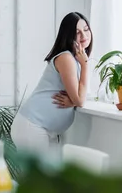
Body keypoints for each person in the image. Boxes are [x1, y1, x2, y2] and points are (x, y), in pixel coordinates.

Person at [11, 12, 92, 159]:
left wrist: (72, 101)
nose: (83, 35)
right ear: (68, 36)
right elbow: (80, 99)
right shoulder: (66, 58)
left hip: (44, 129)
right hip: (32, 126)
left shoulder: (75, 60)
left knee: (50, 179)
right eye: (77, 32)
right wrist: (86, 66)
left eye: (86, 29)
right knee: (40, 180)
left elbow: (80, 95)